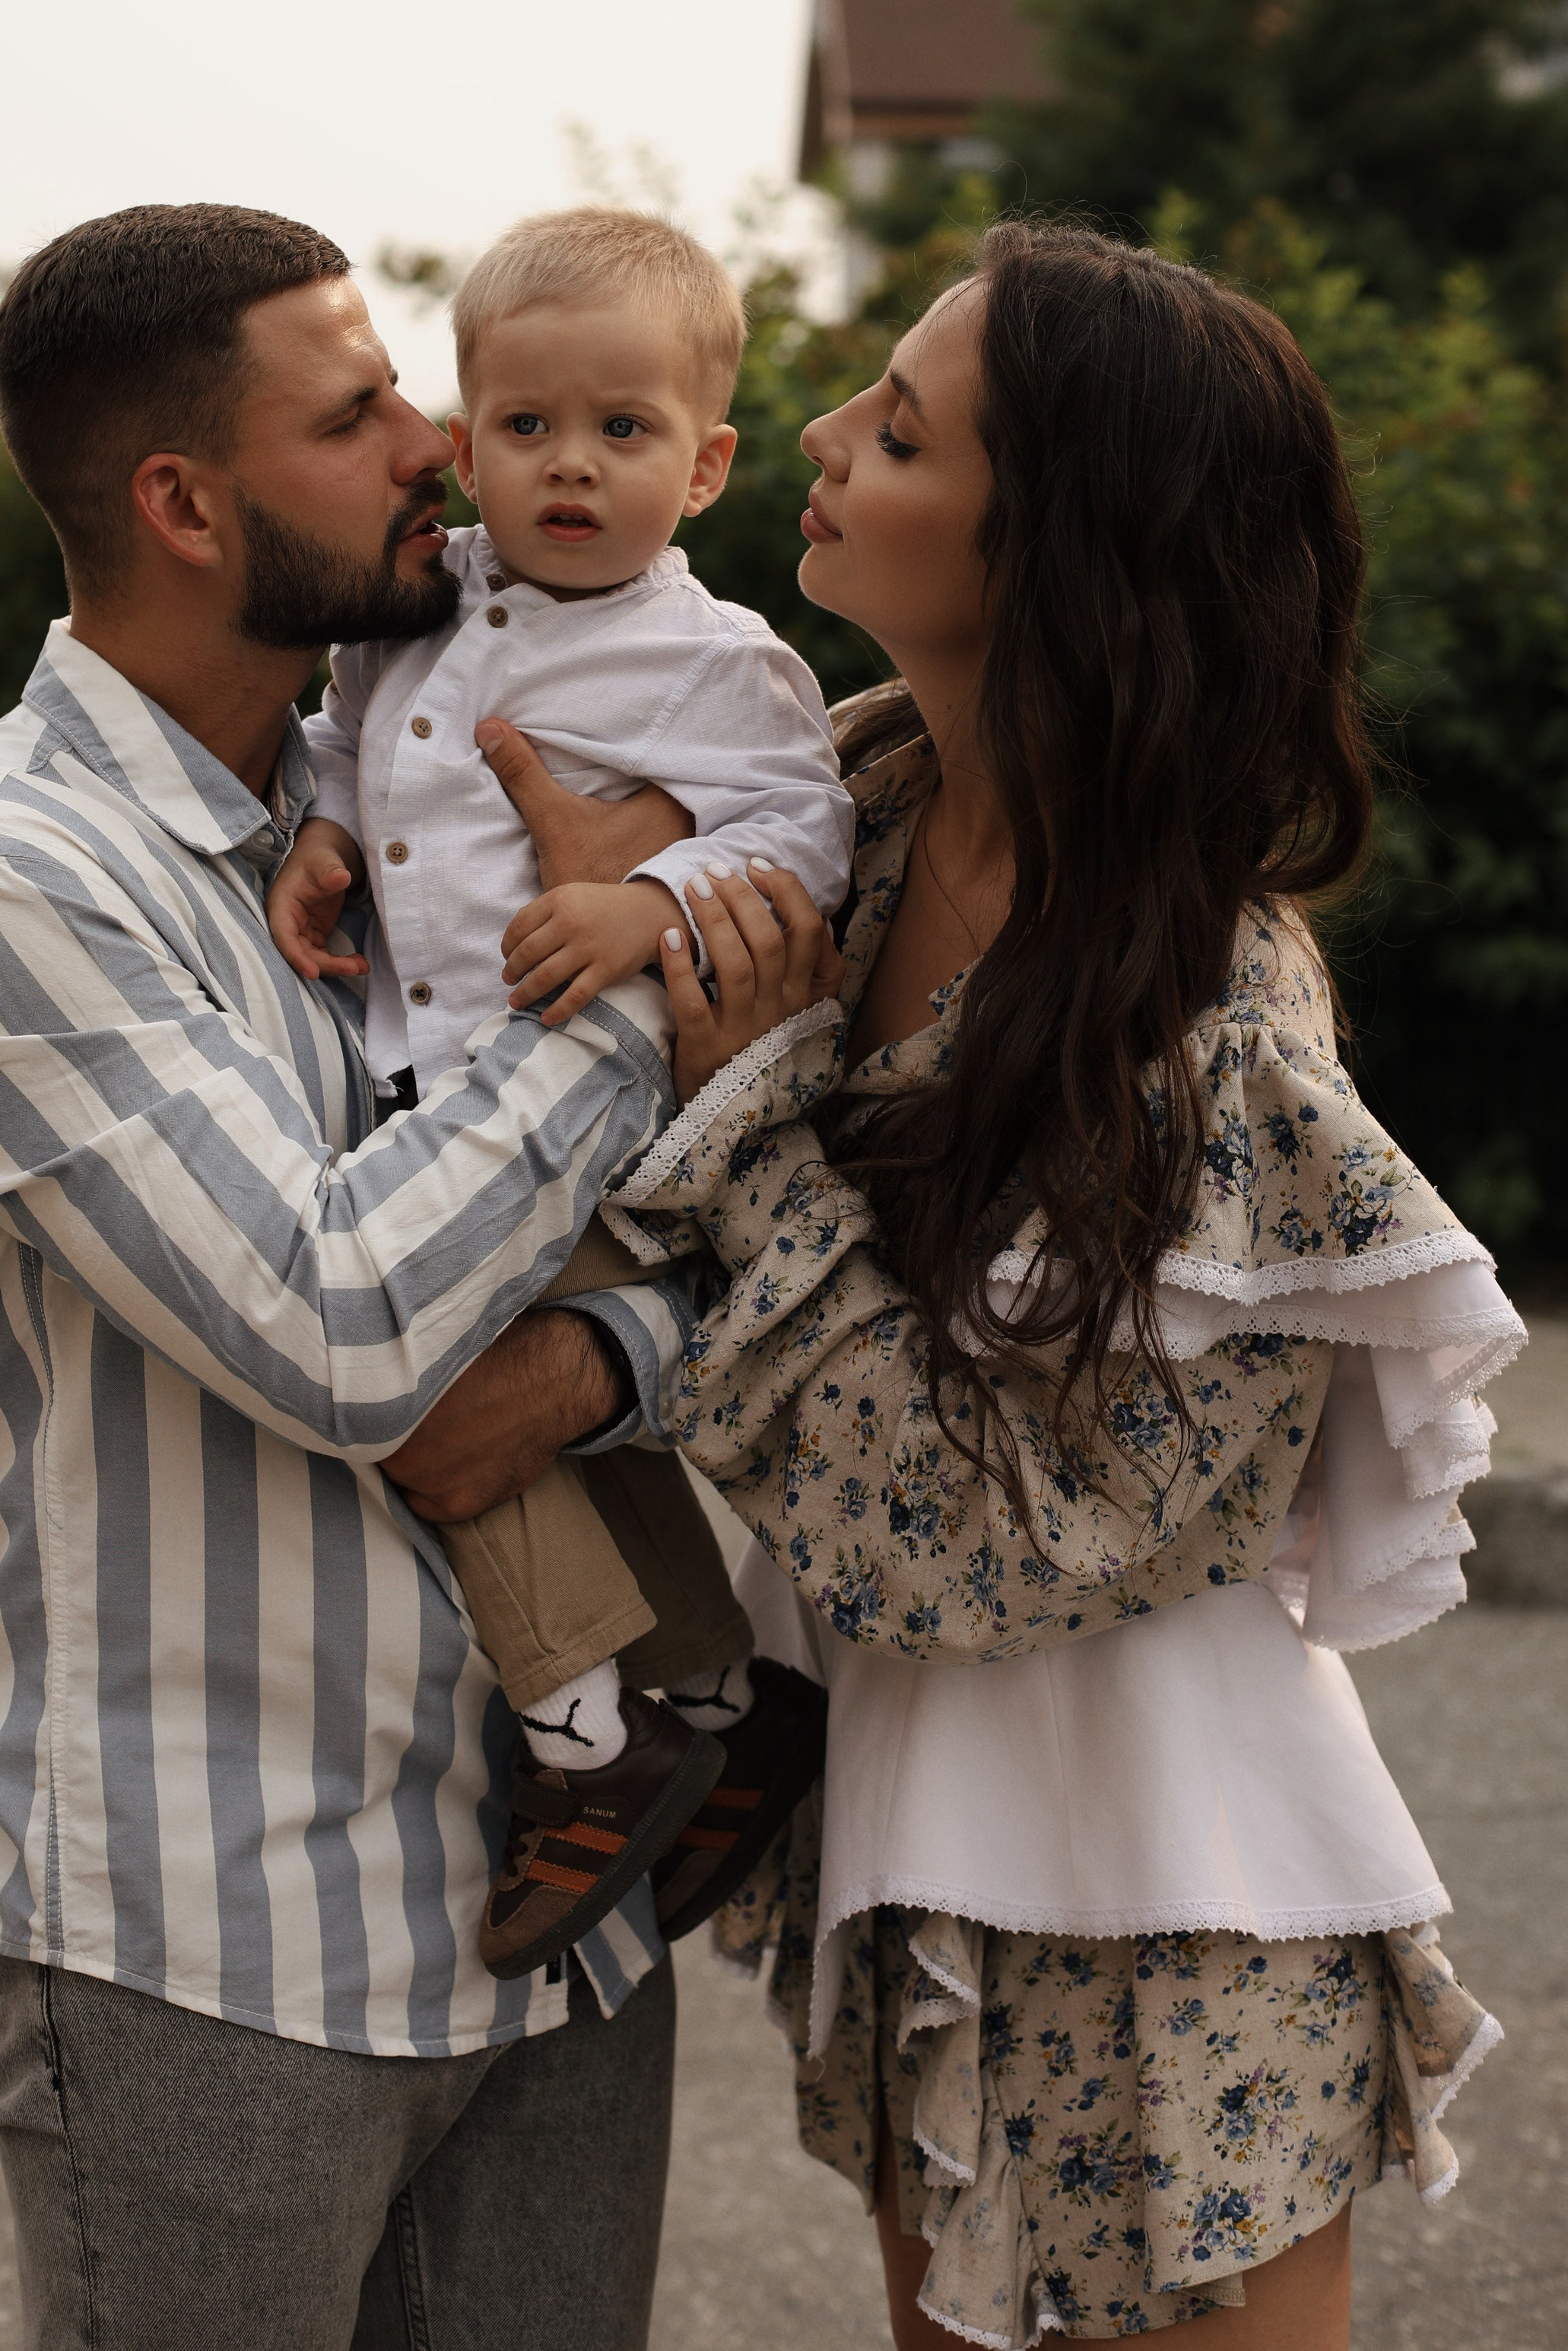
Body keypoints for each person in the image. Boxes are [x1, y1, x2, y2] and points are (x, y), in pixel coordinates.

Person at [0, 200, 782, 2351]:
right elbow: (349, 1326)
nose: (441, 438)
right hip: (213, 1941)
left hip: (560, 1908)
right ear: (182, 500)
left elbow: (739, 1229)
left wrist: (609, 1354)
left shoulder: (402, 796)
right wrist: (619, 985)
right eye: (356, 415)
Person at [567, 223, 1522, 2345]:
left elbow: (971, 1538)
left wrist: (752, 1122)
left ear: (1061, 547)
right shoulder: (855, 804)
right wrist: (367, 853)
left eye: (897, 430)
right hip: (922, 1826)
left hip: (1169, 1893)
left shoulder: (1210, 1024)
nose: (814, 439)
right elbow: (537, 877)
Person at [267, 207, 846, 1981]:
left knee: (440, 1402)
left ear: (707, 461)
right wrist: (319, 836)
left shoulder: (712, 658)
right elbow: (351, 754)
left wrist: (646, 897)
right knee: (520, 1413)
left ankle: (591, 1741)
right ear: (463, 438)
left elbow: (803, 836)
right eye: (526, 427)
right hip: (425, 1104)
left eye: (622, 430)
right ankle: (725, 1702)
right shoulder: (410, 620)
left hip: (576, 1121)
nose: (571, 467)